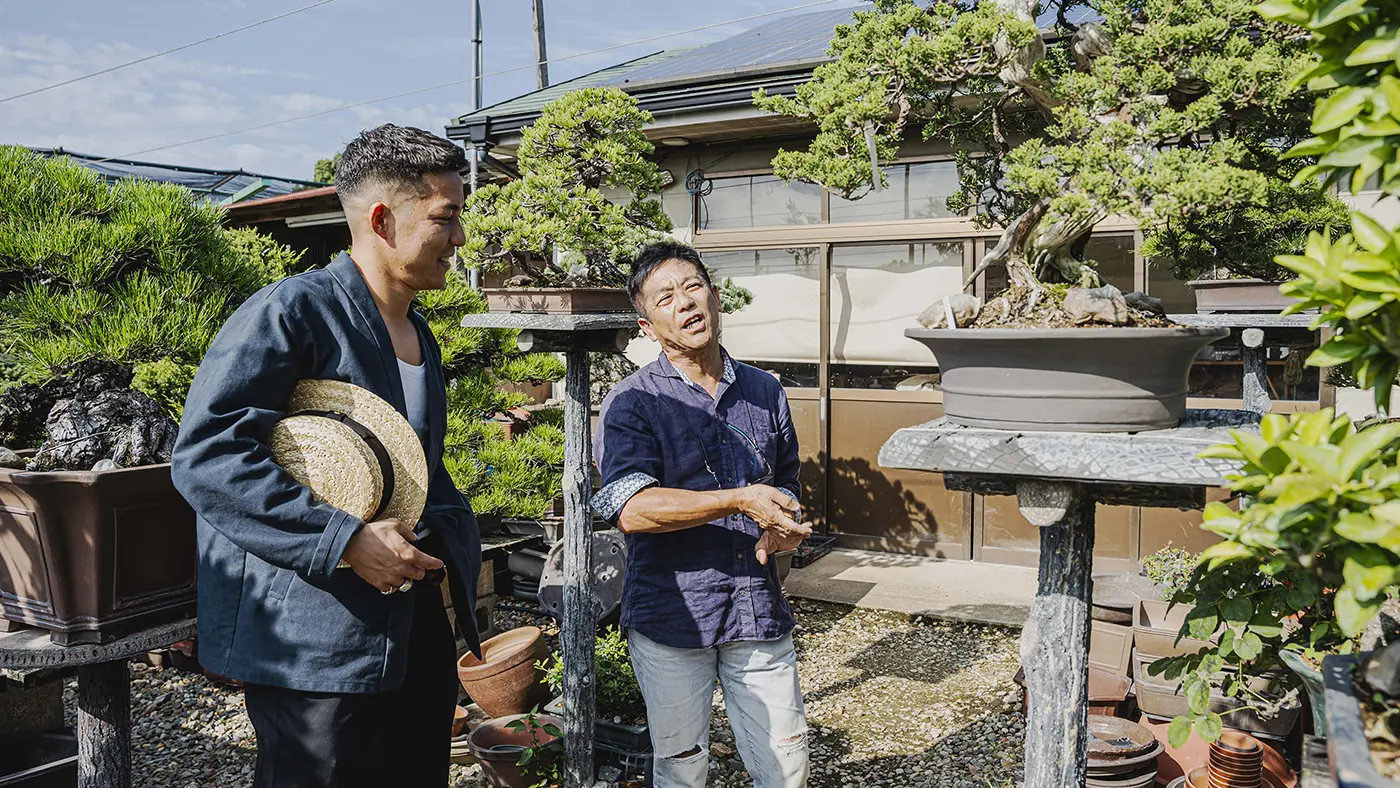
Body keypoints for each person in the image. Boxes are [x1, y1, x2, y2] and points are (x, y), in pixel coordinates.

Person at [171, 124, 481, 788]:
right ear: (382, 219)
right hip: (315, 632)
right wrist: (341, 540)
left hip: (408, 619)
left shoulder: (418, 331)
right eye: (446, 218)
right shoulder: (292, 312)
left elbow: (417, 468)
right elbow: (208, 452)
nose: (460, 239)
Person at [592, 241, 813, 788]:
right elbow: (633, 508)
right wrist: (738, 499)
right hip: (673, 614)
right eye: (665, 298)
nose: (685, 303)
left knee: (787, 764)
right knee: (683, 766)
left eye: (692, 288)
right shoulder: (632, 402)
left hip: (755, 607)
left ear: (715, 297)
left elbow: (785, 482)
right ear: (647, 326)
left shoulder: (765, 391)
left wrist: (782, 525)